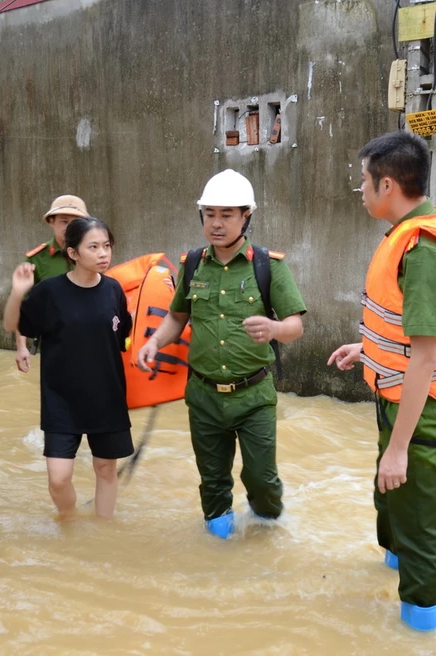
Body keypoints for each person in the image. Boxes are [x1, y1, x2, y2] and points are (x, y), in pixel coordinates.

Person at [328, 131, 436, 631]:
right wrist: (366, 348)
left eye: (363, 182)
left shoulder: (424, 252)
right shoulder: (417, 231)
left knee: (419, 519)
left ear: (387, 184)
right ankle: (395, 575)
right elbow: (405, 334)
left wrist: (399, 447)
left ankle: (422, 627)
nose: (361, 190)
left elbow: (426, 358)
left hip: (421, 406)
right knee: (393, 501)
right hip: (399, 397)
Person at [136, 169, 307, 539]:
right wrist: (154, 342)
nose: (216, 223)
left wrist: (275, 329)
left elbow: (295, 325)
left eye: (227, 215)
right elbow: (178, 315)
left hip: (254, 397)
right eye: (210, 214)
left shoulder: (269, 266)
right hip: (203, 396)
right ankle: (218, 551)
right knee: (212, 484)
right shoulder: (192, 264)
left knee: (261, 479)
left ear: (246, 216)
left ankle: (266, 534)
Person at [3, 216, 134, 519]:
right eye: (94, 247)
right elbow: (12, 324)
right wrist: (18, 292)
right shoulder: (49, 292)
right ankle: (69, 521)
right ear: (73, 253)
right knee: (59, 478)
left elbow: (124, 337)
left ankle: (103, 531)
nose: (103, 253)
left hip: (106, 396)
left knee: (105, 469)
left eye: (106, 246)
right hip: (61, 399)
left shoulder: (114, 290)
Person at [14, 194, 89, 373]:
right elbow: (22, 307)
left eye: (76, 222)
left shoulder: (94, 253)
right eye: (64, 221)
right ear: (51, 222)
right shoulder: (37, 259)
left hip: (91, 341)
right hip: (55, 345)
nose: (70, 228)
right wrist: (21, 347)